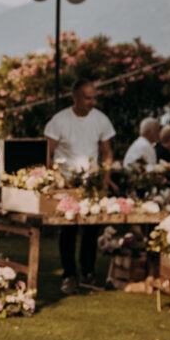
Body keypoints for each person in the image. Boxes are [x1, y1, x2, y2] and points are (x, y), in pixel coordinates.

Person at [44, 78, 116, 294]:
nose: (92, 102)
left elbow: (107, 152)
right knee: (68, 230)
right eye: (87, 98)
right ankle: (68, 275)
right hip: (66, 183)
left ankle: (88, 273)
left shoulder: (101, 120)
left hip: (91, 183)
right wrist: (56, 178)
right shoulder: (60, 121)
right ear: (75, 97)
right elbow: (47, 152)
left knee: (91, 229)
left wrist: (105, 176)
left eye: (94, 97)